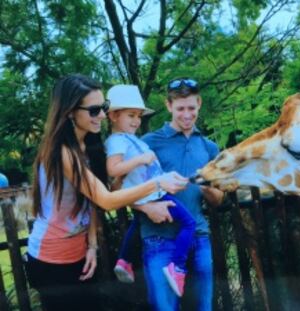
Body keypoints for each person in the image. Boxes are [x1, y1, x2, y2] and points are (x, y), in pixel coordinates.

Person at [25, 74, 187, 311]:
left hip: (79, 255)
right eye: (94, 110)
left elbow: (94, 202)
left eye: (104, 107)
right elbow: (106, 200)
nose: (102, 115)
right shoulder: (62, 152)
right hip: (50, 261)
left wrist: (90, 245)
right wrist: (158, 183)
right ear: (70, 112)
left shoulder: (90, 147)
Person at [136, 78, 224, 310]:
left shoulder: (209, 147)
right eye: (180, 109)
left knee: (203, 307)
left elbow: (219, 200)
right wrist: (145, 207)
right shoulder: (148, 143)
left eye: (191, 108)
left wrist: (206, 187)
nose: (187, 115)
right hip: (159, 239)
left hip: (199, 237)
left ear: (199, 104)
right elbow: (121, 189)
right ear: (168, 106)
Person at [105, 84, 196, 296]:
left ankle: (125, 260)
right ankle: (177, 267)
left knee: (137, 222)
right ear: (113, 116)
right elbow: (113, 168)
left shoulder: (129, 138)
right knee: (189, 223)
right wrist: (141, 159)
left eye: (138, 116)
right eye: (131, 115)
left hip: (153, 190)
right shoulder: (117, 141)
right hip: (151, 193)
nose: (136, 121)